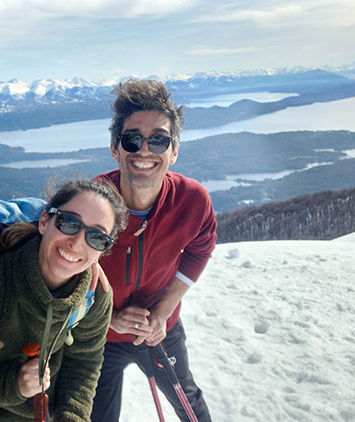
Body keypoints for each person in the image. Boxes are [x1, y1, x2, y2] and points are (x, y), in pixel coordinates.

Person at [90, 79, 217, 422]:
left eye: (159, 140)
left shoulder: (192, 201)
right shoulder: (91, 204)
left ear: (173, 151)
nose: (144, 150)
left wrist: (164, 310)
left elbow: (200, 249)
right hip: (99, 334)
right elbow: (63, 271)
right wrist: (107, 319)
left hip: (161, 330)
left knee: (189, 405)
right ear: (115, 148)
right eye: (132, 139)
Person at [0, 180, 127, 422]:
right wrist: (13, 385)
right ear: (44, 221)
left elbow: (84, 362)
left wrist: (73, 416)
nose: (77, 243)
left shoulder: (93, 297)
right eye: (69, 223)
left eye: (97, 237)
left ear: (103, 250)